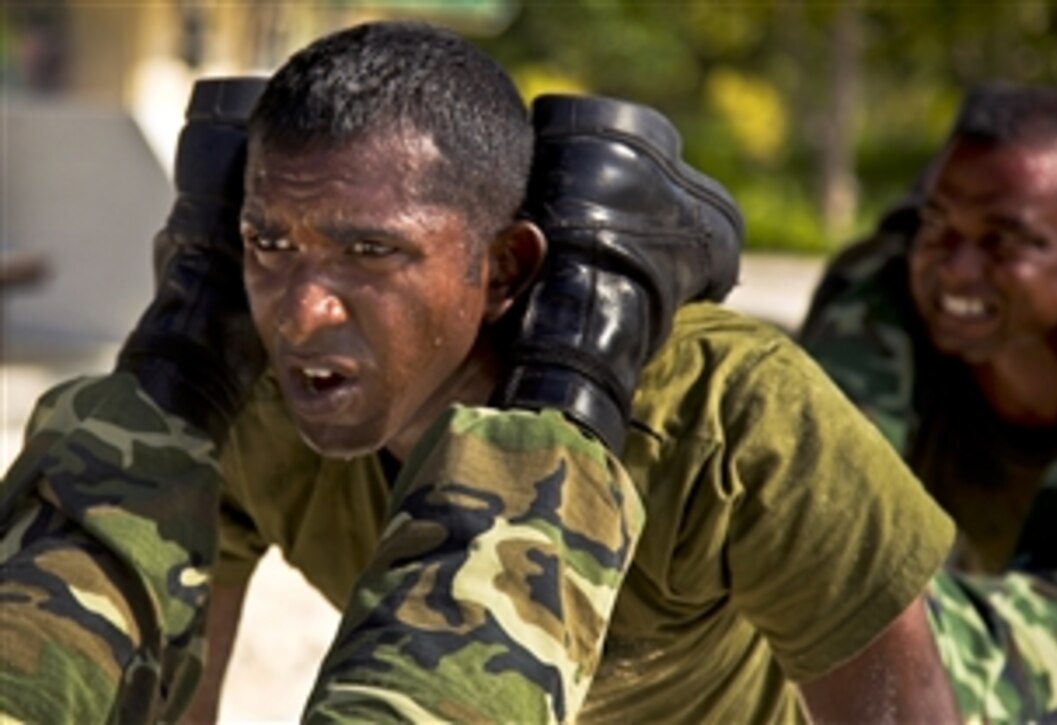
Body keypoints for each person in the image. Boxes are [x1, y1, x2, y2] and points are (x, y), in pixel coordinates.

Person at [0, 21, 966, 724]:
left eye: (369, 254)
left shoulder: (730, 412)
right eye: (264, 242)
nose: (299, 312)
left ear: (503, 268)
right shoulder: (256, 413)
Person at [800, 82, 1057, 719]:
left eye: (1004, 240)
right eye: (937, 225)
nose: (955, 268)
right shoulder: (878, 299)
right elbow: (817, 529)